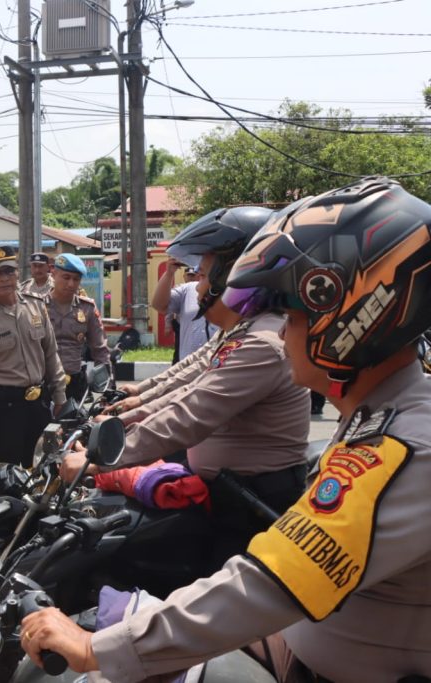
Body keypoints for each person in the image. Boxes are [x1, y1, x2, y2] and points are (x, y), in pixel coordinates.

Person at [22, 177, 431, 683]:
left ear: (347, 318)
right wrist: (123, 417)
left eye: (293, 314)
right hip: (299, 640)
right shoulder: (381, 413)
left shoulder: (400, 446)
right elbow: (181, 387)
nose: (283, 330)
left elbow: (271, 582)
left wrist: (96, 648)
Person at [64, 206, 309, 562]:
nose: (199, 287)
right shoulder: (242, 331)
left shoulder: (262, 343)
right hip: (226, 492)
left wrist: (100, 459)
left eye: (205, 276)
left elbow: (192, 413)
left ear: (235, 277)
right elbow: (188, 379)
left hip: (250, 505)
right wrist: (133, 409)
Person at [0, 245, 66, 468]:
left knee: (45, 472)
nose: (4, 278)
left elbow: (51, 354)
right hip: (3, 412)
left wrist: (60, 396)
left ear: (18, 272)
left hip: (39, 407)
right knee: (6, 479)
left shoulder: (35, 306)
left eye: (9, 271)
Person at [45, 254, 110, 401]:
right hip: (43, 382)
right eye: (66, 277)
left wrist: (107, 388)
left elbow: (100, 350)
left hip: (74, 382)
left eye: (76, 279)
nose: (71, 284)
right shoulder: (36, 306)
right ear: (53, 273)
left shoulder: (87, 308)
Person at [153, 258, 215, 362]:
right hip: (188, 364)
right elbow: (159, 305)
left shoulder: (232, 289)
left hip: (220, 364)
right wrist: (169, 273)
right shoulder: (187, 289)